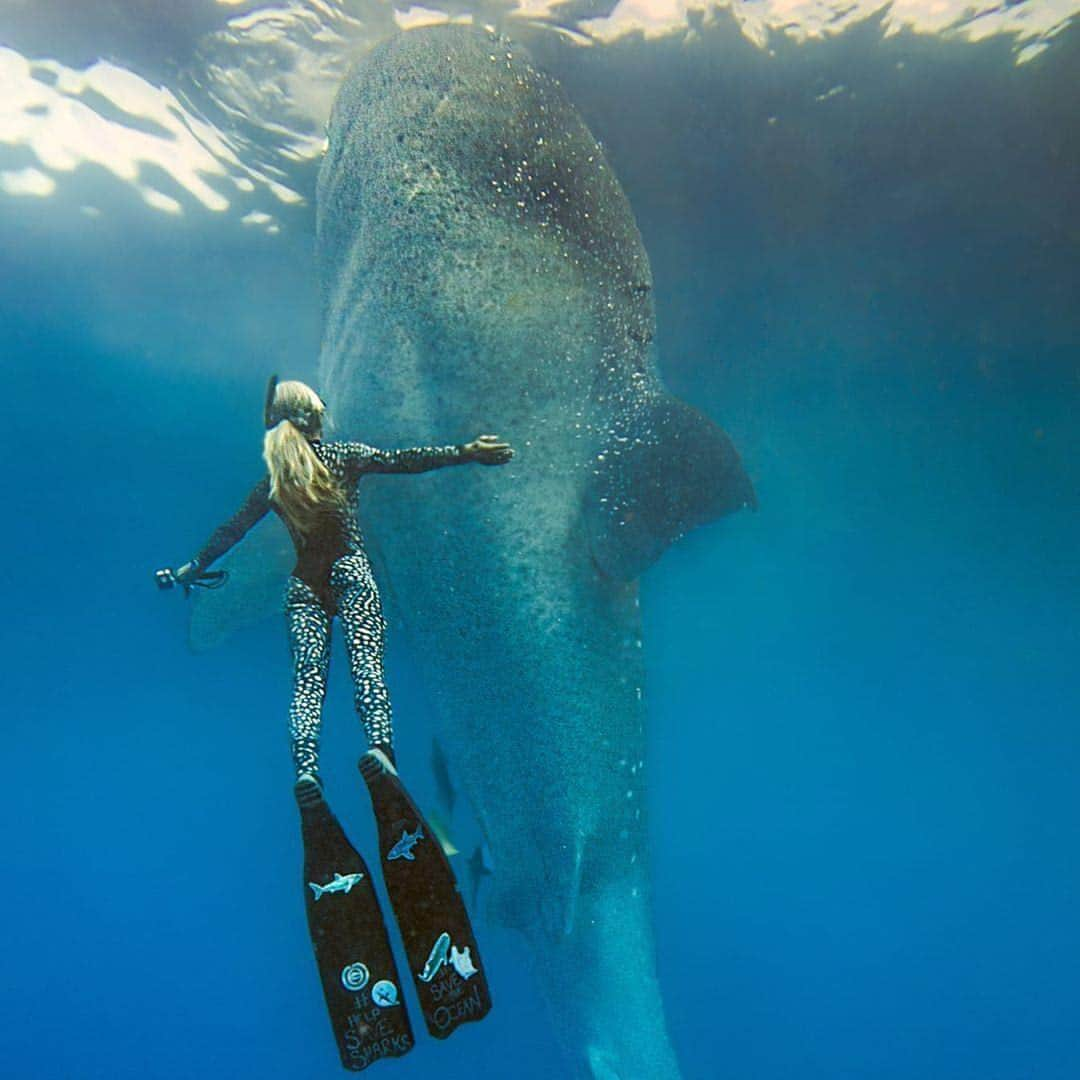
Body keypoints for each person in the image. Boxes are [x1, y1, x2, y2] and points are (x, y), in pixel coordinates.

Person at [160, 377, 507, 1066]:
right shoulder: (343, 454)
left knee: (308, 686)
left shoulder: (273, 483)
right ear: (317, 416)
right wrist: (469, 450)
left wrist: (187, 569)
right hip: (349, 572)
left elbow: (230, 530)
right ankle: (380, 755)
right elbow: (410, 458)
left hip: (303, 586)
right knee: (368, 670)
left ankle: (306, 771)